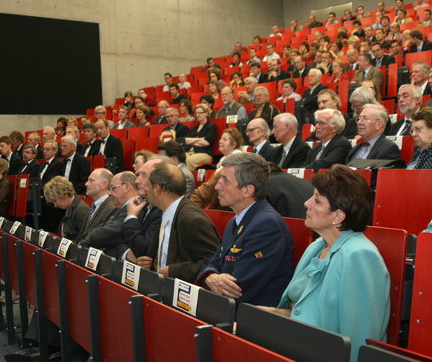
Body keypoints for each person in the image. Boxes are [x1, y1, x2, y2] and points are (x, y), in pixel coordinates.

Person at [261, 165, 390, 362]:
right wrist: (277, 314)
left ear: (338, 216)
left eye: (317, 200)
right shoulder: (318, 245)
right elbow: (306, 311)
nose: (306, 203)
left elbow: (360, 340)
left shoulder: (360, 255)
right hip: (297, 346)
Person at [196, 152, 293, 306]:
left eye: (225, 180)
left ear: (247, 190)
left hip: (251, 319)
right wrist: (210, 277)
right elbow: (212, 263)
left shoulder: (267, 225)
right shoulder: (237, 220)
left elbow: (238, 289)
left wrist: (209, 278)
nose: (216, 186)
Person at [138, 161, 221, 282]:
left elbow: (213, 261)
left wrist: (174, 271)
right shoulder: (166, 211)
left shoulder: (191, 219)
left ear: (157, 189)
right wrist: (148, 263)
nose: (146, 192)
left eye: (148, 186)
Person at [79, 171, 138, 258]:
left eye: (113, 188)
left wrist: (85, 242)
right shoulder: (117, 208)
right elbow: (101, 228)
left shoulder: (137, 207)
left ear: (126, 187)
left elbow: (108, 233)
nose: (109, 193)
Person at [43, 176, 89, 241]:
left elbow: (87, 238)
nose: (55, 205)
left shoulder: (81, 210)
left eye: (55, 201)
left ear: (64, 194)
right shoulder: (69, 208)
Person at [76, 168, 115, 242]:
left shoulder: (112, 207)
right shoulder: (94, 205)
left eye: (91, 180)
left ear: (104, 184)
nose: (86, 184)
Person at [176, 104, 217, 170]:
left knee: (189, 161)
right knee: (180, 158)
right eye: (196, 113)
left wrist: (191, 141)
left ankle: (188, 179)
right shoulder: (194, 128)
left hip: (204, 153)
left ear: (206, 113)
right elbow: (186, 141)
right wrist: (200, 139)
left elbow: (206, 143)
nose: (198, 115)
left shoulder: (211, 127)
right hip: (190, 151)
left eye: (200, 113)